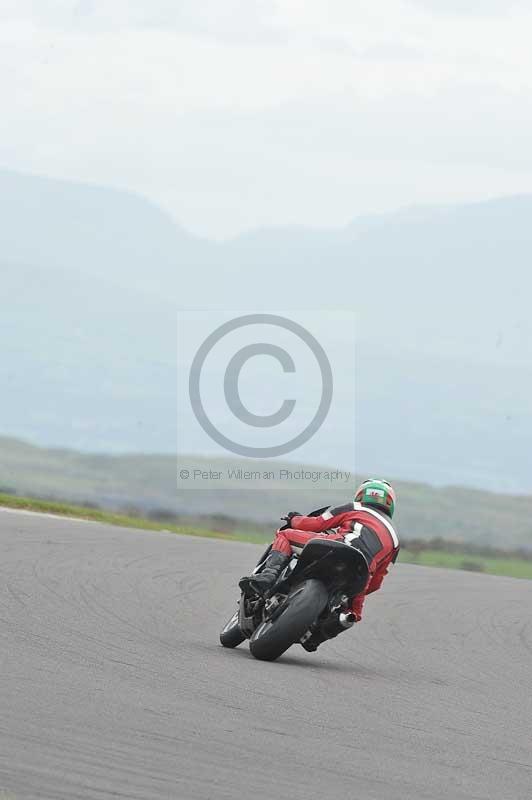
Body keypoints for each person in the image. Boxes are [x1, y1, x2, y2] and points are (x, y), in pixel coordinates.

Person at [239, 478, 399, 650]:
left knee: (286, 535)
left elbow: (316, 523)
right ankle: (317, 636)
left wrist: (294, 519)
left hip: (336, 546)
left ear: (360, 495)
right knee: (352, 614)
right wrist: (355, 598)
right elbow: (376, 582)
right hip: (362, 570)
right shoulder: (395, 539)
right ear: (390, 503)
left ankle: (268, 576)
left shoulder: (353, 508)